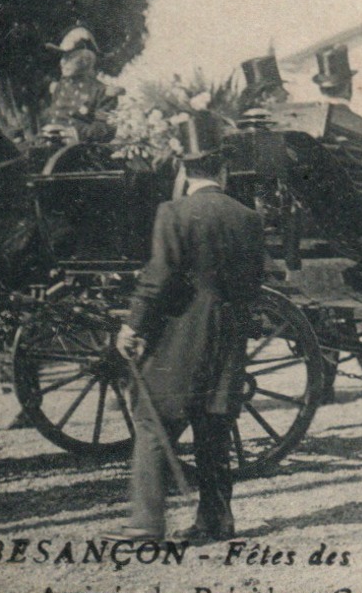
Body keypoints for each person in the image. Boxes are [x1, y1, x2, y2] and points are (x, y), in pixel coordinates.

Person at [113, 111, 264, 544]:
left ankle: (145, 523)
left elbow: (158, 278)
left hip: (181, 338)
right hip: (228, 338)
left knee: (151, 419)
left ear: (183, 169)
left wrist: (132, 326)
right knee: (213, 426)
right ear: (223, 169)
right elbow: (253, 284)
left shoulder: (173, 213)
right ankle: (217, 519)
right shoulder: (248, 218)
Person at [39, 26, 119, 145]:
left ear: (86, 60)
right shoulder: (59, 86)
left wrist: (76, 133)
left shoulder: (102, 91)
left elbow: (105, 128)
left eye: (70, 58)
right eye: (63, 57)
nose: (63, 63)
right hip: (51, 143)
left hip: (80, 149)